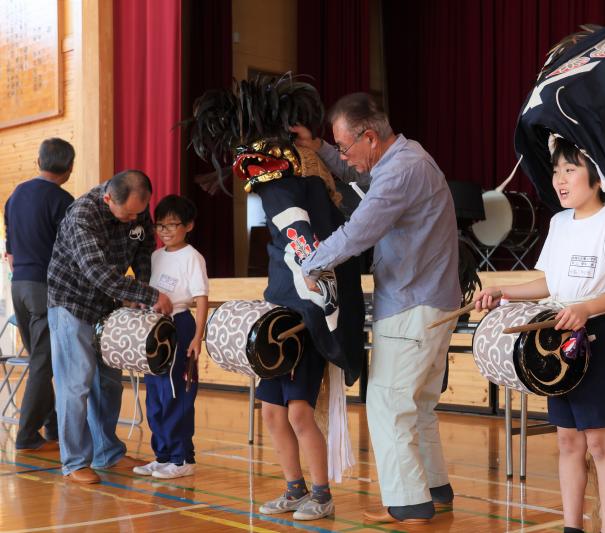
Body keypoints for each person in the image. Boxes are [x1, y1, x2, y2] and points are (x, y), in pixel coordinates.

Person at [187, 74, 366, 522]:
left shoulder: (282, 166)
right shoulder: (301, 161)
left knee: (300, 410)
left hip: (304, 305)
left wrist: (317, 296)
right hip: (284, 300)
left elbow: (296, 232)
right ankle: (294, 488)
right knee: (272, 411)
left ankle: (321, 494)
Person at [292, 92, 462, 524]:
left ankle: (409, 505)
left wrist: (309, 264)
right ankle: (435, 491)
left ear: (370, 137)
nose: (346, 158)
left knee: (388, 405)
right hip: (433, 302)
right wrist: (322, 149)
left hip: (411, 304)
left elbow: (357, 232)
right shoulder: (407, 155)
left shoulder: (400, 172)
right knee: (420, 406)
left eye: (346, 147)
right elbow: (362, 177)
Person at [474, 138, 605, 533]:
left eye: (570, 170)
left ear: (598, 178)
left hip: (595, 336)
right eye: (555, 171)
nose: (559, 180)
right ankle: (572, 527)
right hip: (555, 337)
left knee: (601, 443)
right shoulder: (559, 223)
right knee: (567, 441)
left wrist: (588, 308)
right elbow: (550, 281)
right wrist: (504, 291)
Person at [48, 169, 173, 484]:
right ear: (108, 199)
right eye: (128, 213)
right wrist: (148, 294)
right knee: (76, 384)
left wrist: (138, 293)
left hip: (109, 306)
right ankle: (74, 462)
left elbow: (143, 251)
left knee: (109, 383)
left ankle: (107, 453)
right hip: (72, 303)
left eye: (139, 213)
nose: (135, 220)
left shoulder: (137, 213)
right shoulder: (82, 216)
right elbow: (97, 272)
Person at [4, 138, 75, 452]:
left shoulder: (16, 194)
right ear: (69, 168)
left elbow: (9, 239)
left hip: (18, 286)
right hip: (45, 289)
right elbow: (70, 250)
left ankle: (52, 425)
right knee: (43, 363)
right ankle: (27, 435)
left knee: (39, 360)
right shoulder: (63, 200)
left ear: (38, 161)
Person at [131, 195, 208, 480]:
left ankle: (182, 458)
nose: (164, 231)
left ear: (188, 226)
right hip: (155, 327)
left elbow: (201, 299)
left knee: (177, 392)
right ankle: (162, 455)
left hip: (180, 324)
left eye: (172, 225)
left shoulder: (193, 257)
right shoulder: (155, 256)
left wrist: (197, 338)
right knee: (156, 394)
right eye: (160, 225)